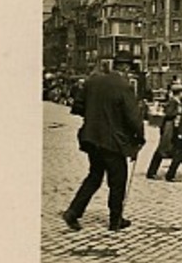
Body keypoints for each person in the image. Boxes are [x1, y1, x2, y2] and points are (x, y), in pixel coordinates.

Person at [62, 50, 147, 232]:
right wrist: (139, 138)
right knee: (118, 180)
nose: (129, 73)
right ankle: (115, 220)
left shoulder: (93, 82)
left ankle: (73, 212)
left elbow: (77, 107)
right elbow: (133, 118)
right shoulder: (123, 86)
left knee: (94, 176)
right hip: (113, 142)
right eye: (129, 69)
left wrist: (95, 117)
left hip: (92, 139)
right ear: (124, 67)